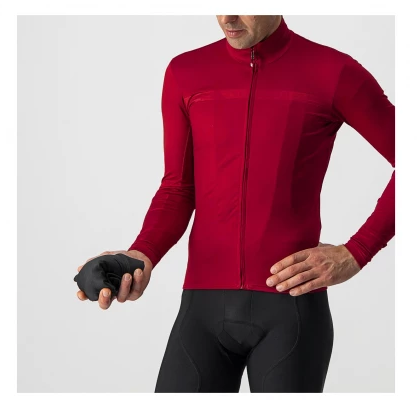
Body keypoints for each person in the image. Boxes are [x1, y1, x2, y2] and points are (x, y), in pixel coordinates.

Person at [76, 15, 395, 393]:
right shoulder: (185, 72)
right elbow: (178, 188)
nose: (227, 17)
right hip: (201, 311)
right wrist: (141, 253)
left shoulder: (333, 72)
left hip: (291, 312)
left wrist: (356, 252)